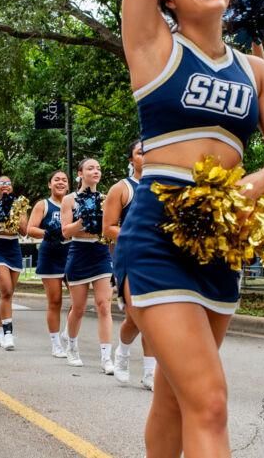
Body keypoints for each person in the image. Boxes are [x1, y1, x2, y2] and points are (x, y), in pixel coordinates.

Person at [114, 0, 264, 456]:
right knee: (212, 401)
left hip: (224, 241)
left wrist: (247, 191)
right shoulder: (154, 45)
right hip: (159, 233)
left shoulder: (258, 71)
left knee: (176, 396)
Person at [103, 139, 155, 390]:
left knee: (154, 317)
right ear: (131, 159)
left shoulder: (166, 185)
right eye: (140, 152)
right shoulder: (121, 189)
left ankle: (150, 373)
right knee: (137, 317)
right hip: (129, 258)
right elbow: (109, 228)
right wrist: (138, 234)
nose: (146, 155)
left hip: (158, 258)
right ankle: (122, 352)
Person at [60, 158, 114, 373]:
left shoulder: (107, 198)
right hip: (79, 252)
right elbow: (65, 232)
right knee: (79, 308)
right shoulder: (69, 200)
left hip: (100, 252)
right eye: (90, 168)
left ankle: (106, 357)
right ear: (80, 173)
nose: (96, 171)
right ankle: (71, 347)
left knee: (104, 305)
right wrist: (83, 220)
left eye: (99, 168)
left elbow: (110, 228)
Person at [25, 171, 70, 358]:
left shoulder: (73, 203)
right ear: (49, 184)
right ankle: (56, 343)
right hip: (50, 256)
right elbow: (30, 229)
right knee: (55, 301)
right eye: (56, 180)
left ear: (68, 185)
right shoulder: (43, 205)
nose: (60, 182)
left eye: (64, 180)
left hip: (72, 254)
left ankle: (68, 332)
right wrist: (48, 233)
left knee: (80, 300)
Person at [0, 175, 28, 351]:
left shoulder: (19, 206)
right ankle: (8, 333)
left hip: (13, 247)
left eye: (8, 183)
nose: (5, 186)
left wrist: (13, 214)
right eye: (1, 183)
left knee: (8, 295)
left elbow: (25, 231)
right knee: (5, 289)